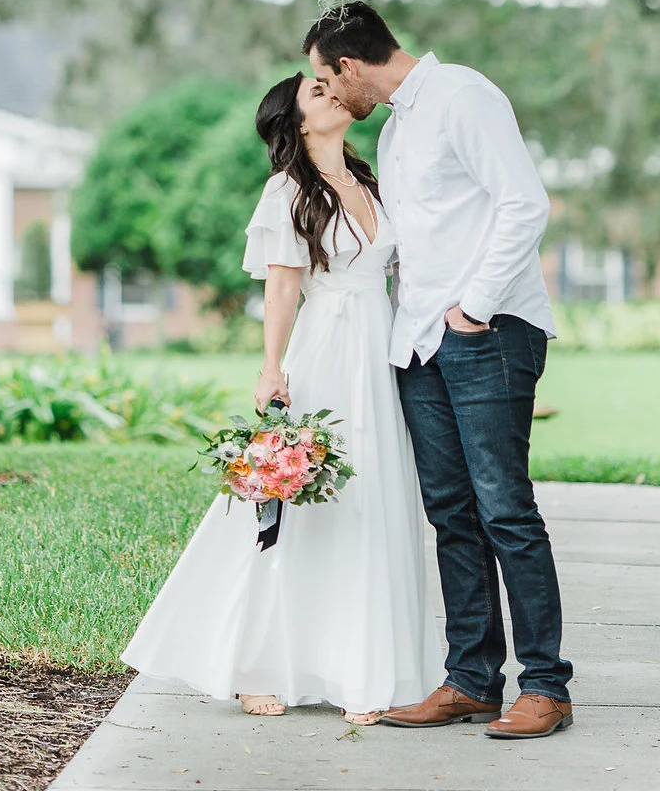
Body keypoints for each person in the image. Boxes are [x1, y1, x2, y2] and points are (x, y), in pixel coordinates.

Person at [121, 72, 443, 722]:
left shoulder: (371, 181)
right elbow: (282, 287)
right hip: (326, 353)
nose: (332, 96)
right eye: (317, 95)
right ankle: (254, 663)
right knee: (293, 502)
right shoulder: (288, 191)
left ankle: (366, 670)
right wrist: (271, 368)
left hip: (381, 358)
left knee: (371, 502)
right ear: (297, 124)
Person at [304, 3, 574, 742]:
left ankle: (546, 686)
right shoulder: (393, 130)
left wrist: (475, 307)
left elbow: (525, 204)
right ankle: (470, 680)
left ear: (352, 66)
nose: (329, 91)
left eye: (328, 78)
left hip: (488, 332)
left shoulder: (463, 95)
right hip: (418, 343)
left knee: (504, 509)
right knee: (451, 514)